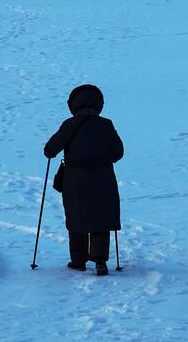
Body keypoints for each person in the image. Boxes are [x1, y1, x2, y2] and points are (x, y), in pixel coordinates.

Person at [44, 84, 124, 274]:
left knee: (77, 217)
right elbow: (118, 152)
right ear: (99, 105)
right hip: (103, 179)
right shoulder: (106, 124)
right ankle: (100, 261)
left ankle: (78, 261)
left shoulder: (69, 125)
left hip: (75, 181)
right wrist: (103, 160)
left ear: (73, 105)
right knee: (101, 218)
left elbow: (49, 150)